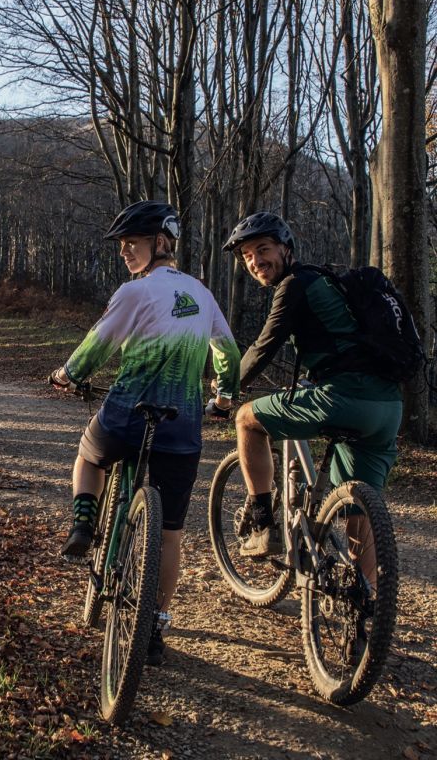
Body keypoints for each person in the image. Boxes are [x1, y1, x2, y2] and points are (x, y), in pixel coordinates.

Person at [51, 200, 240, 665]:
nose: (124, 252)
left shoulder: (134, 293)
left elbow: (97, 346)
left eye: (131, 243)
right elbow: (229, 355)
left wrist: (68, 374)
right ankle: (153, 624)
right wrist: (223, 399)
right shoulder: (202, 294)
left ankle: (83, 522)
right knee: (170, 533)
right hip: (183, 426)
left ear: (160, 243)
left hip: (126, 416)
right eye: (121, 245)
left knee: (89, 456)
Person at [222, 211, 403, 560]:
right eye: (247, 257)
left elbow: (262, 347)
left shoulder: (295, 284)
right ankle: (370, 605)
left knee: (246, 418)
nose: (256, 261)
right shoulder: (328, 283)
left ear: (285, 248)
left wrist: (226, 392)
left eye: (263, 250)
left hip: (345, 399)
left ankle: (262, 527)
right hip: (387, 408)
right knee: (358, 514)